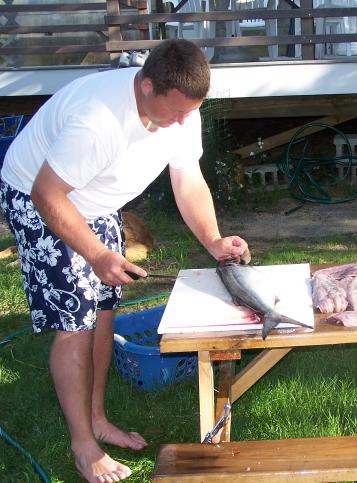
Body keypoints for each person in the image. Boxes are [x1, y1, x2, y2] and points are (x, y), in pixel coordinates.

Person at [0, 39, 248, 482]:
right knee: (75, 322)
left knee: (102, 311)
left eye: (190, 112)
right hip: (38, 198)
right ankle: (83, 445)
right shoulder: (98, 122)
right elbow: (46, 194)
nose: (183, 121)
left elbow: (188, 180)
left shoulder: (181, 109)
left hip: (94, 202)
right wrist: (97, 254)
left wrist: (213, 240)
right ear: (147, 86)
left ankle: (97, 419)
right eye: (177, 111)